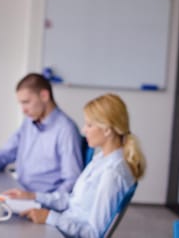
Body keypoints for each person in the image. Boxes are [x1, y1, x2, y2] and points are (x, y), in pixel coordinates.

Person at [9, 93, 146, 238]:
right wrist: (33, 196)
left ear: (107, 129)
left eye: (89, 125)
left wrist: (50, 217)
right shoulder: (101, 159)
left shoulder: (113, 173)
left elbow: (93, 233)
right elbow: (73, 201)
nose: (83, 130)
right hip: (64, 227)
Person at [0, 73, 83, 194]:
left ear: (44, 96)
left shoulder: (66, 130)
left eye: (26, 102)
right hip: (20, 192)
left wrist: (43, 204)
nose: (23, 110)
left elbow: (71, 181)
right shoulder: (29, 122)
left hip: (41, 202)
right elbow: (4, 155)